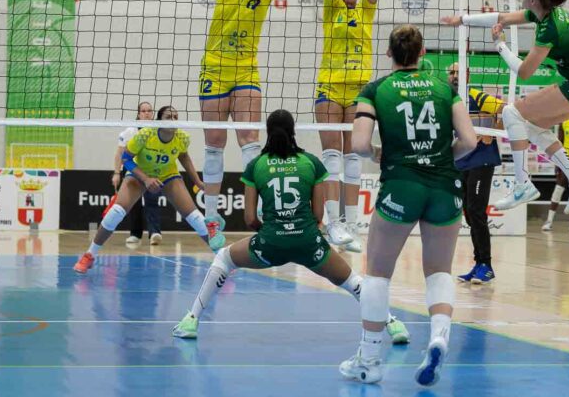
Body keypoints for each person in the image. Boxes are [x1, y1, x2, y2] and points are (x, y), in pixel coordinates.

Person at [171, 108, 409, 344]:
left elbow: (250, 218)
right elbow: (318, 215)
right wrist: (300, 231)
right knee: (353, 281)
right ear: (293, 131)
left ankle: (191, 320)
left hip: (270, 243)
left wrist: (272, 231)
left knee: (224, 258)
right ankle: (392, 324)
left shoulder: (257, 165)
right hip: (308, 242)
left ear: (267, 132)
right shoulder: (311, 162)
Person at [339, 25, 478, 386]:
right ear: (423, 52)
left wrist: (378, 153)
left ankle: (369, 360)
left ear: (389, 53)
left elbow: (358, 145)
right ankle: (438, 337)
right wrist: (442, 159)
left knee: (377, 273)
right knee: (439, 271)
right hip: (444, 185)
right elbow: (470, 141)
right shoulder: (445, 89)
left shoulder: (375, 90)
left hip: (401, 184)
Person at [199, 0, 334, 252]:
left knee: (249, 140)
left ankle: (262, 210)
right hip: (214, 69)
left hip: (246, 71)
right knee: (214, 144)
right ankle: (211, 218)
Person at [440, 0, 569, 214]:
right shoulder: (546, 13)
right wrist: (462, 20)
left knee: (511, 112)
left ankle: (522, 184)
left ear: (534, 0)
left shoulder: (549, 29)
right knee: (533, 128)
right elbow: (502, 18)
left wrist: (500, 45)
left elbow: (525, 72)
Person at [314, 0, 387, 253]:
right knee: (332, 157)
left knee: (354, 157)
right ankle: (334, 224)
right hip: (330, 87)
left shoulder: (367, 10)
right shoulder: (331, 10)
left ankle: (353, 224)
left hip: (360, 90)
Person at [74, 106, 211, 274]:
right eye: (169, 117)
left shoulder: (182, 137)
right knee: (115, 213)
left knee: (196, 217)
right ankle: (89, 255)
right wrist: (145, 179)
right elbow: (126, 158)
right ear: (159, 121)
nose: (173, 120)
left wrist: (197, 181)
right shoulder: (145, 134)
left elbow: (184, 156)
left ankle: (222, 257)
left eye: (176, 117)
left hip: (168, 175)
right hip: (139, 174)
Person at [447, 62, 505, 282]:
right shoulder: (448, 100)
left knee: (476, 211)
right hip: (461, 162)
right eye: (451, 72)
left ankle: (486, 265)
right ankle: (479, 263)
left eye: (459, 72)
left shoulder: (476, 96)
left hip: (482, 160)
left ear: (468, 75)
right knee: (469, 213)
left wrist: (493, 132)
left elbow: (506, 110)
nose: (455, 76)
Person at [112, 102, 163, 246]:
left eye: (149, 111)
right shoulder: (129, 132)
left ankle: (155, 233)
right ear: (138, 114)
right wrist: (116, 173)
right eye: (143, 111)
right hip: (132, 170)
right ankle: (135, 234)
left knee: (152, 200)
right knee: (133, 203)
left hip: (151, 170)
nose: (146, 113)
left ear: (152, 114)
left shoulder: (158, 130)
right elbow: (119, 154)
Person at [544, 115, 569, 232]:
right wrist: (557, 162)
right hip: (566, 160)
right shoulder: (564, 122)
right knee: (558, 189)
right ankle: (549, 221)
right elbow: (559, 142)